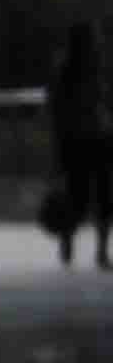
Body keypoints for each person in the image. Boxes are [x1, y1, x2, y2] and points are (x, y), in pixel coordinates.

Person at [49, 20, 109, 269]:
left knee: (100, 195)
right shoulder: (68, 72)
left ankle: (100, 249)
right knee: (82, 196)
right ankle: (74, 237)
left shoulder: (96, 69)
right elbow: (58, 109)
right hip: (79, 139)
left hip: (95, 137)